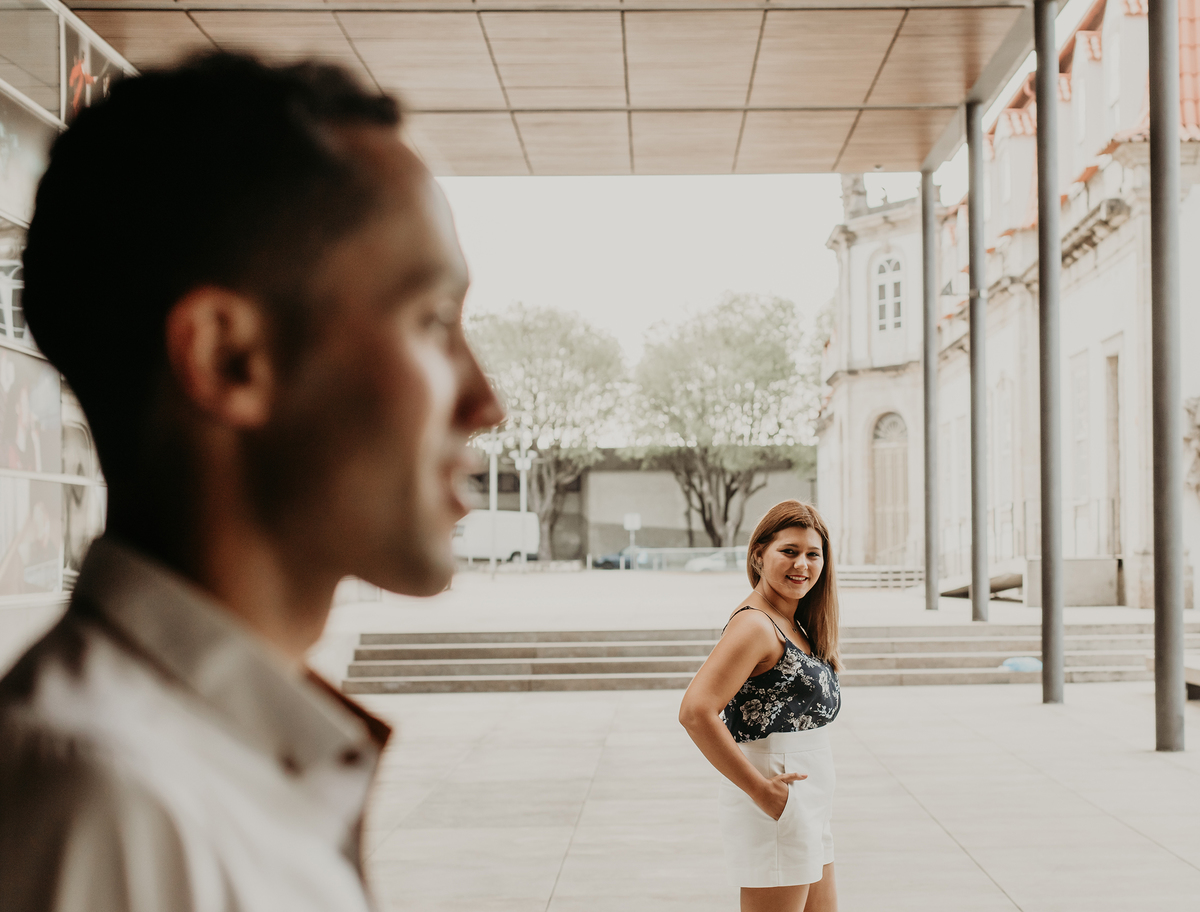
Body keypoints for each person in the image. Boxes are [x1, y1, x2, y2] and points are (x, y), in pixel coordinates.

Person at [0, 53, 503, 911]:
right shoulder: (109, 809)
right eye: (430, 322)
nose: (486, 401)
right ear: (229, 358)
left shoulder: (195, 769)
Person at [679, 500, 842, 912]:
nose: (801, 564)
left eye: (812, 554)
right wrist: (761, 792)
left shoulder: (794, 622)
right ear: (759, 555)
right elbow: (695, 711)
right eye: (788, 551)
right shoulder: (755, 624)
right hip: (776, 792)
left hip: (806, 798)